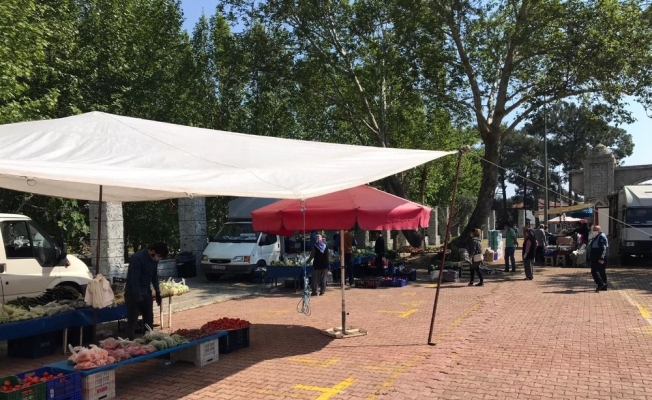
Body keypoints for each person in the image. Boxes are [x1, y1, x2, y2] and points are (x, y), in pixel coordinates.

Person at [125, 242, 168, 340]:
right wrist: (139, 299)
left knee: (149, 319)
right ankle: (129, 342)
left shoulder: (154, 260)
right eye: (159, 256)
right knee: (133, 320)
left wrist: (157, 291)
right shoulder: (137, 258)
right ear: (152, 251)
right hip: (133, 293)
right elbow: (134, 281)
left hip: (146, 291)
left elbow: (154, 276)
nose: (158, 258)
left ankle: (148, 340)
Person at [587, 225, 609, 292]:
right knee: (601, 271)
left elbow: (603, 248)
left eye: (595, 230)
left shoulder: (601, 236)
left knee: (594, 271)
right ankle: (604, 285)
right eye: (593, 230)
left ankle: (600, 283)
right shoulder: (597, 236)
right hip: (596, 256)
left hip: (599, 256)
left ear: (599, 230)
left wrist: (601, 258)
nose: (593, 231)